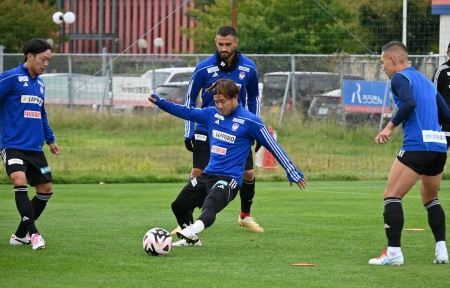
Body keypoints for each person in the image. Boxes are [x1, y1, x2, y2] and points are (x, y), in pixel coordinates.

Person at [148, 79, 307, 246]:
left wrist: (291, 171)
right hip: (208, 174)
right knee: (178, 206)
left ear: (235, 97)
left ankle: (192, 231)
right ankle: (192, 241)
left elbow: (273, 146)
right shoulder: (211, 114)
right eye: (216, 102)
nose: (219, 106)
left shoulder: (250, 121)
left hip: (229, 179)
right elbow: (185, 112)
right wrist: (160, 102)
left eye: (222, 101)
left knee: (210, 206)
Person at [369, 41, 450, 266]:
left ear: (393, 60)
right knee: (431, 199)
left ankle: (394, 253)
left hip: (418, 146)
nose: (383, 67)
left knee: (391, 195)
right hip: (438, 148)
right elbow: (446, 113)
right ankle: (441, 251)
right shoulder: (425, 81)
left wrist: (389, 126)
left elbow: (409, 102)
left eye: (383, 62)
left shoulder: (399, 78)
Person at [178, 26, 263, 235]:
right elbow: (189, 99)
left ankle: (245, 216)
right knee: (198, 172)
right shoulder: (203, 68)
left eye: (227, 44)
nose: (223, 48)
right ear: (216, 42)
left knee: (248, 173)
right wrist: (188, 131)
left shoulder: (249, 68)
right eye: (219, 44)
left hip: (237, 131)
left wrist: (256, 128)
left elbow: (253, 99)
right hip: (206, 127)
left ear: (236, 43)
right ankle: (188, 217)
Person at [0, 38, 59, 250]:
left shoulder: (40, 84)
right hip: (12, 144)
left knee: (45, 190)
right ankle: (34, 234)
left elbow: (42, 115)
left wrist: (50, 139)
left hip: (35, 148)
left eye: (49, 60)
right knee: (19, 179)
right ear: (30, 57)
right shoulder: (11, 78)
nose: (46, 64)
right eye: (43, 59)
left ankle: (19, 235)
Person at [432, 42, 450, 148]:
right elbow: (433, 93)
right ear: (448, 53)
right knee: (441, 152)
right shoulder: (442, 71)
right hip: (445, 121)